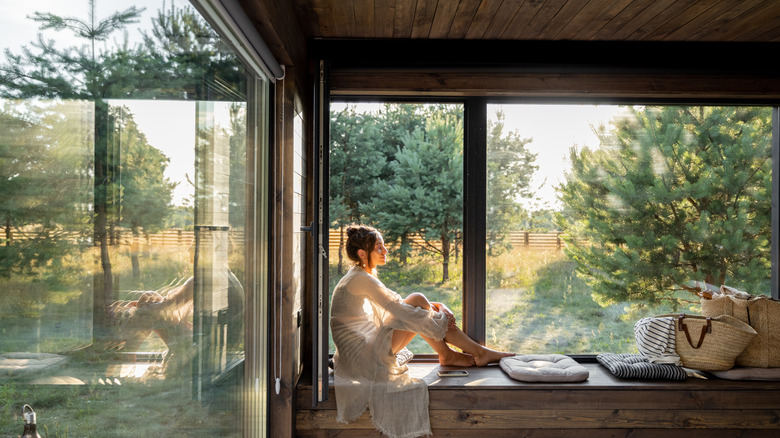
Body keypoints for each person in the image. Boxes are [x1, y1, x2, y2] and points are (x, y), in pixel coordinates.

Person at [330, 225, 513, 438]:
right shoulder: (360, 278)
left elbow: (397, 302)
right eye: (379, 247)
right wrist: (440, 314)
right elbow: (401, 309)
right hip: (364, 359)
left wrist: (439, 307)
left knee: (417, 302)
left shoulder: (359, 275)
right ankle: (474, 353)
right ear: (362, 254)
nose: (385, 251)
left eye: (383, 246)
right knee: (416, 304)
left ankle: (455, 354)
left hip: (363, 352)